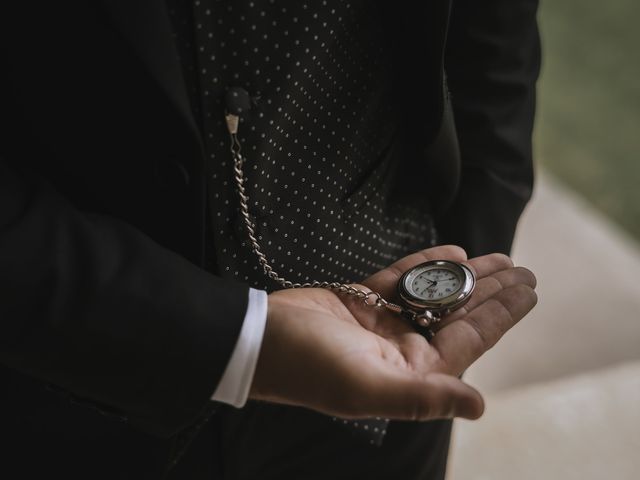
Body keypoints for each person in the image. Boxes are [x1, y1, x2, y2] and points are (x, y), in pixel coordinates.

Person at [0, 0, 540, 478]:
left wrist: (468, 254)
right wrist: (236, 342)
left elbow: (491, 36)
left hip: (391, 380)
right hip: (77, 388)